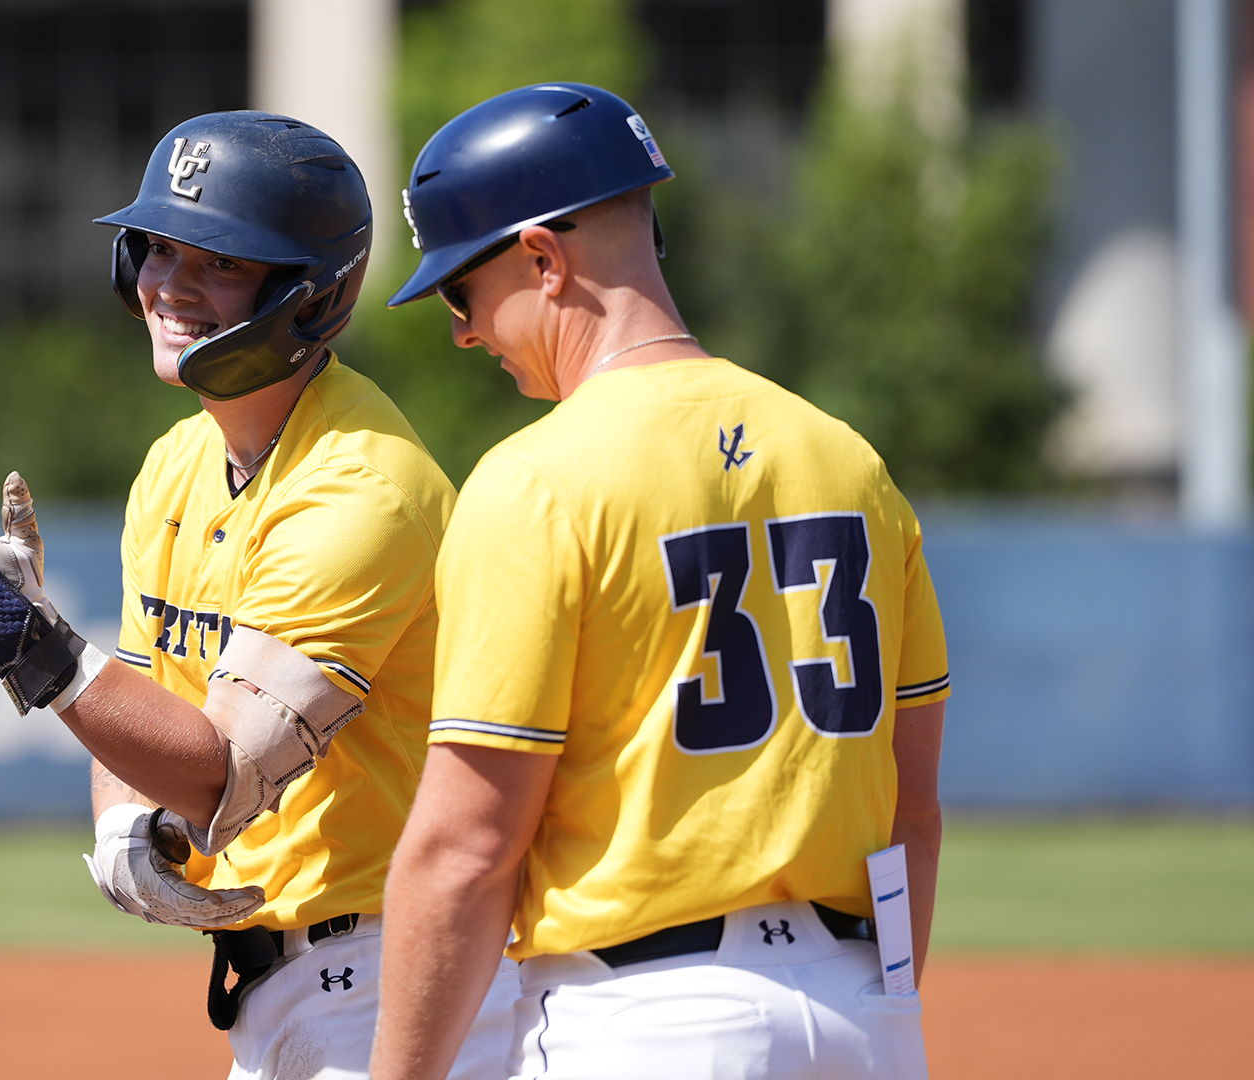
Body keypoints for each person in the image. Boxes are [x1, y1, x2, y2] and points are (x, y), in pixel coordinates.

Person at [0, 112, 516, 1079]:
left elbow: (222, 771)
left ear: (308, 295)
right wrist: (119, 827)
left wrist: (36, 646)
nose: (168, 285)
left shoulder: (362, 485)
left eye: (220, 263)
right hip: (295, 987)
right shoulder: (177, 462)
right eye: (156, 248)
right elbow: (147, 686)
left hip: (396, 978)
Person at [367, 83, 951, 1080]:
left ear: (544, 259)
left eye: (462, 291)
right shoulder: (849, 460)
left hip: (646, 1023)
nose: (463, 330)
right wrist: (879, 1005)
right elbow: (912, 806)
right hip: (863, 1015)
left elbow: (465, 848)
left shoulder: (537, 482)